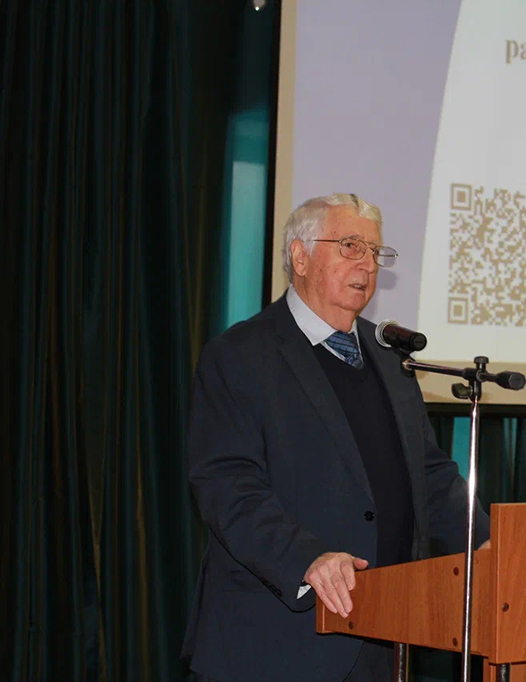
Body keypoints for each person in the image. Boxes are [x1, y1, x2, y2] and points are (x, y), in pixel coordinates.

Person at [180, 193, 489, 682]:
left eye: (375, 252)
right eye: (350, 246)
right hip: (276, 640)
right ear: (300, 257)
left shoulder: (390, 358)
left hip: (383, 634)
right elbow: (227, 485)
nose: (367, 263)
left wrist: (484, 542)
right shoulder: (240, 355)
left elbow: (427, 473)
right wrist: (306, 557)